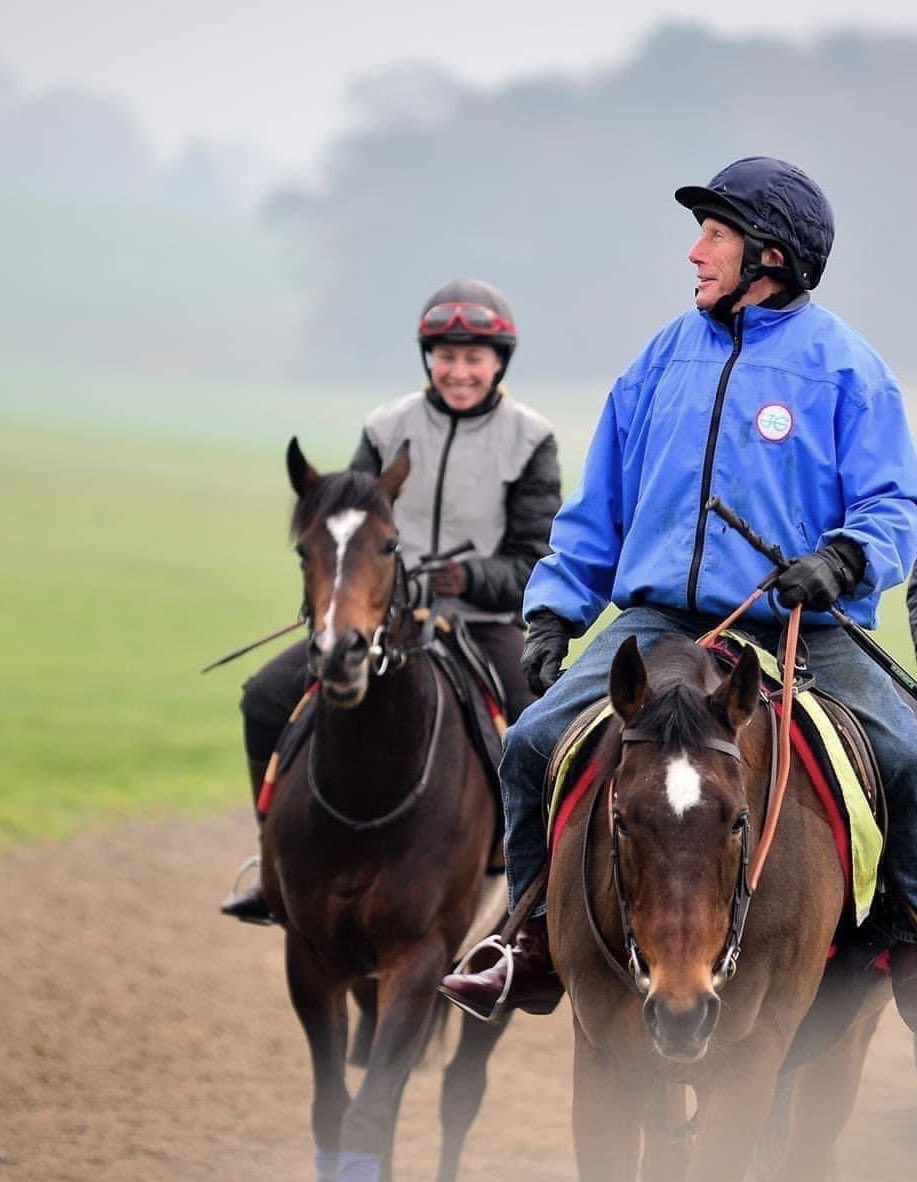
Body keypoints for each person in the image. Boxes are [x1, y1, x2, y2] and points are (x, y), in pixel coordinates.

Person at [440, 156, 917, 1033]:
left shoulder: (849, 369)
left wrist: (843, 561)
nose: (693, 253)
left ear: (768, 255)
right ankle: (530, 934)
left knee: (912, 756)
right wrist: (555, 610)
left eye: (714, 235)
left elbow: (893, 505)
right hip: (660, 621)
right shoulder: (657, 361)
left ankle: (904, 935)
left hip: (806, 624)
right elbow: (600, 510)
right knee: (532, 744)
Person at [221, 277, 562, 922]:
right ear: (428, 358)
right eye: (446, 355)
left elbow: (533, 559)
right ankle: (273, 866)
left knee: (540, 723)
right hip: (377, 618)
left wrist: (461, 580)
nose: (459, 370)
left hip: (484, 622)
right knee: (265, 698)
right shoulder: (385, 426)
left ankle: (536, 899)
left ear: (499, 363)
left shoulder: (530, 438)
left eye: (475, 357)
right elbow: (344, 526)